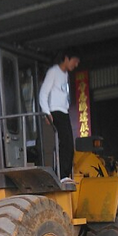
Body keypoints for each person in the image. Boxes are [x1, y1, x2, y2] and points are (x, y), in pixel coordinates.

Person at [38, 48, 80, 183]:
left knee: (69, 145)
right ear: (67, 58)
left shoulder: (65, 74)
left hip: (64, 111)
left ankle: (65, 174)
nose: (76, 64)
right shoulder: (53, 72)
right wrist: (47, 112)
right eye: (75, 61)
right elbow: (43, 93)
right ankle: (61, 175)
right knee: (65, 142)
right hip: (56, 111)